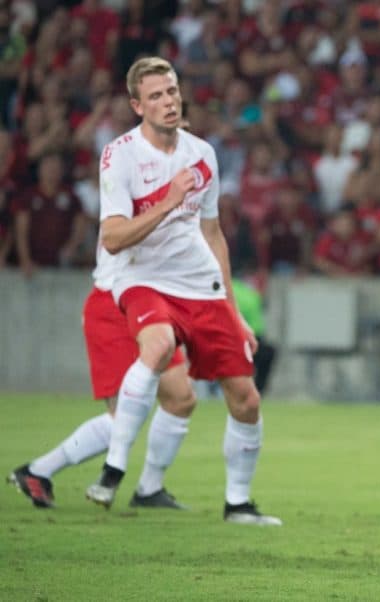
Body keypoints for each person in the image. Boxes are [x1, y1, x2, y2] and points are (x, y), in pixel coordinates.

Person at [84, 56, 280, 526]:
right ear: (137, 105)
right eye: (156, 96)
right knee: (157, 345)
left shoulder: (202, 154)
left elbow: (213, 236)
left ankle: (237, 503)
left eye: (172, 91)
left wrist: (233, 313)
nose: (169, 102)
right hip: (142, 278)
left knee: (246, 398)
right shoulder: (120, 154)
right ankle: (114, 469)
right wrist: (169, 201)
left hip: (198, 282)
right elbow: (112, 237)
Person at [8, 246, 196, 510]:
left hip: (153, 304)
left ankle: (149, 489)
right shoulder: (133, 205)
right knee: (123, 416)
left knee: (181, 399)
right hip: (114, 302)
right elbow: (117, 236)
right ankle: (38, 471)